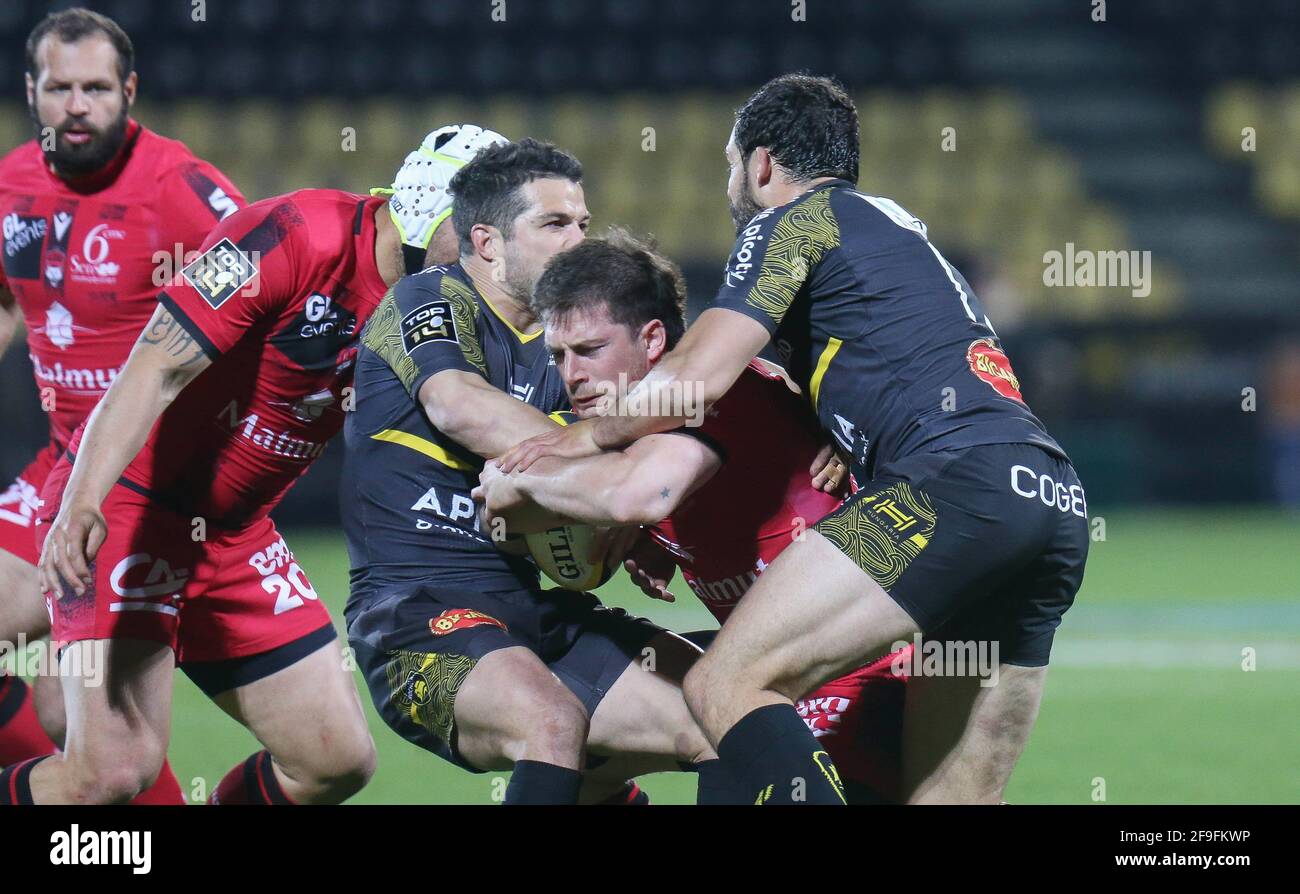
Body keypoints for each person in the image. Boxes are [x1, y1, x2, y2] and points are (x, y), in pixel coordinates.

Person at [499, 74, 1089, 804]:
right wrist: (848, 434)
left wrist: (576, 442)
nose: (731, 185)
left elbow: (698, 378)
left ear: (763, 164)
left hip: (953, 483)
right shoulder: (898, 231)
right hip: (1048, 495)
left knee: (725, 682)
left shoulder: (795, 222)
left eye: (730, 165)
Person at [11, 122, 504, 805]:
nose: (493, 254)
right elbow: (155, 366)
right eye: (482, 230)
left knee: (334, 760)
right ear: (429, 208)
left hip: (235, 536)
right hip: (132, 504)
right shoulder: (293, 233)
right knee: (111, 772)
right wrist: (83, 498)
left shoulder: (453, 311)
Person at [341, 141, 719, 805]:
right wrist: (606, 473)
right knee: (551, 721)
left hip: (533, 613)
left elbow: (590, 542)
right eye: (554, 224)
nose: (578, 239)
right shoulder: (427, 298)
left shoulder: (562, 349)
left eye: (581, 221)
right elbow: (455, 404)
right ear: (485, 242)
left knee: (717, 714)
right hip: (413, 618)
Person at [475, 231, 911, 803]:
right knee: (576, 742)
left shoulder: (705, 394)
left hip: (863, 674)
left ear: (653, 339)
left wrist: (516, 477)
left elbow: (642, 495)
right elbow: (518, 533)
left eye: (589, 349)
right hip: (770, 678)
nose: (571, 374)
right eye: (559, 355)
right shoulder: (623, 429)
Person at [0, 7, 245, 803]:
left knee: (106, 742)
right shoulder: (11, 186)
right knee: (84, 732)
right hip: (58, 464)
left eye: (97, 88)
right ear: (31, 91)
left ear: (129, 91)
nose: (78, 105)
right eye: (61, 88)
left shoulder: (184, 193)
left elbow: (259, 306)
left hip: (147, 486)